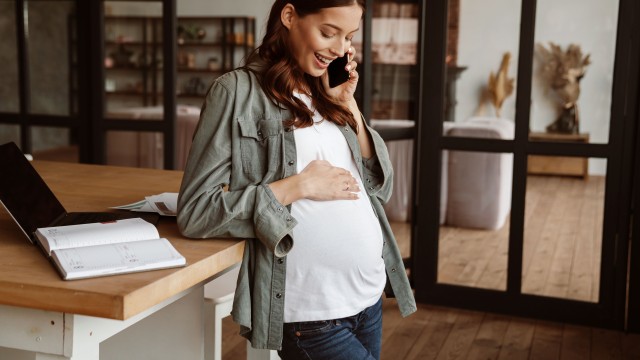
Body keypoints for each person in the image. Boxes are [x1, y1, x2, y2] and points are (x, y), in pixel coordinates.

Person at [177, 0, 416, 358]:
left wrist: (349, 106)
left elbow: (378, 185)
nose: (339, 49)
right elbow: (197, 212)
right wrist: (299, 186)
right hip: (312, 315)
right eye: (327, 32)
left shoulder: (326, 90)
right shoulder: (236, 92)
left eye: (348, 37)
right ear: (289, 17)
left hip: (367, 299)